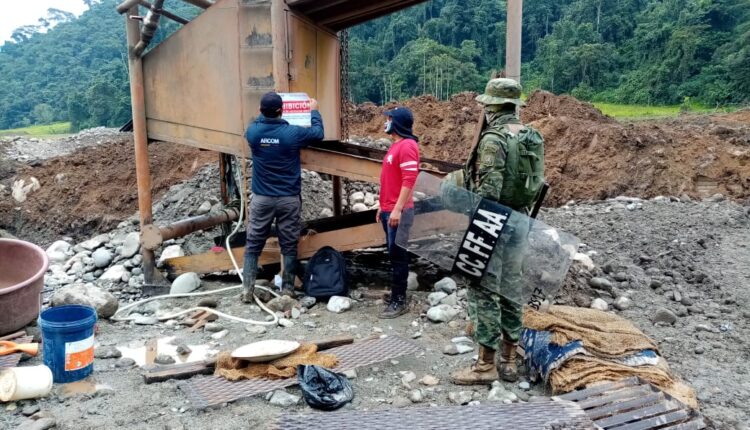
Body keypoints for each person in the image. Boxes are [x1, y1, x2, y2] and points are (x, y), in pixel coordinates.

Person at [450, 78, 545, 384]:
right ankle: (509, 360)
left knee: (483, 289)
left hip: (492, 221)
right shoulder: (532, 136)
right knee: (511, 288)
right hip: (520, 220)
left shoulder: (493, 140)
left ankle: (485, 365)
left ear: (492, 106)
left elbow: (489, 191)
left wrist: (465, 194)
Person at [241, 92, 324, 301]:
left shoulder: (253, 133)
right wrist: (313, 110)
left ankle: (247, 291)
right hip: (288, 198)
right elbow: (318, 133)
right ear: (281, 111)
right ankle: (287, 289)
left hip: (262, 199)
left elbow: (258, 124)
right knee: (288, 243)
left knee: (253, 243)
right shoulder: (292, 134)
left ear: (260, 111)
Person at [376, 107, 420, 319]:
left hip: (399, 212)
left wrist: (397, 208)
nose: (386, 122)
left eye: (389, 119)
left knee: (398, 256)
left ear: (398, 123)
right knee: (393, 256)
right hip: (388, 209)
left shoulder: (408, 146)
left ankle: (399, 301)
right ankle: (395, 294)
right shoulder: (395, 146)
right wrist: (382, 206)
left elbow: (409, 180)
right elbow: (389, 179)